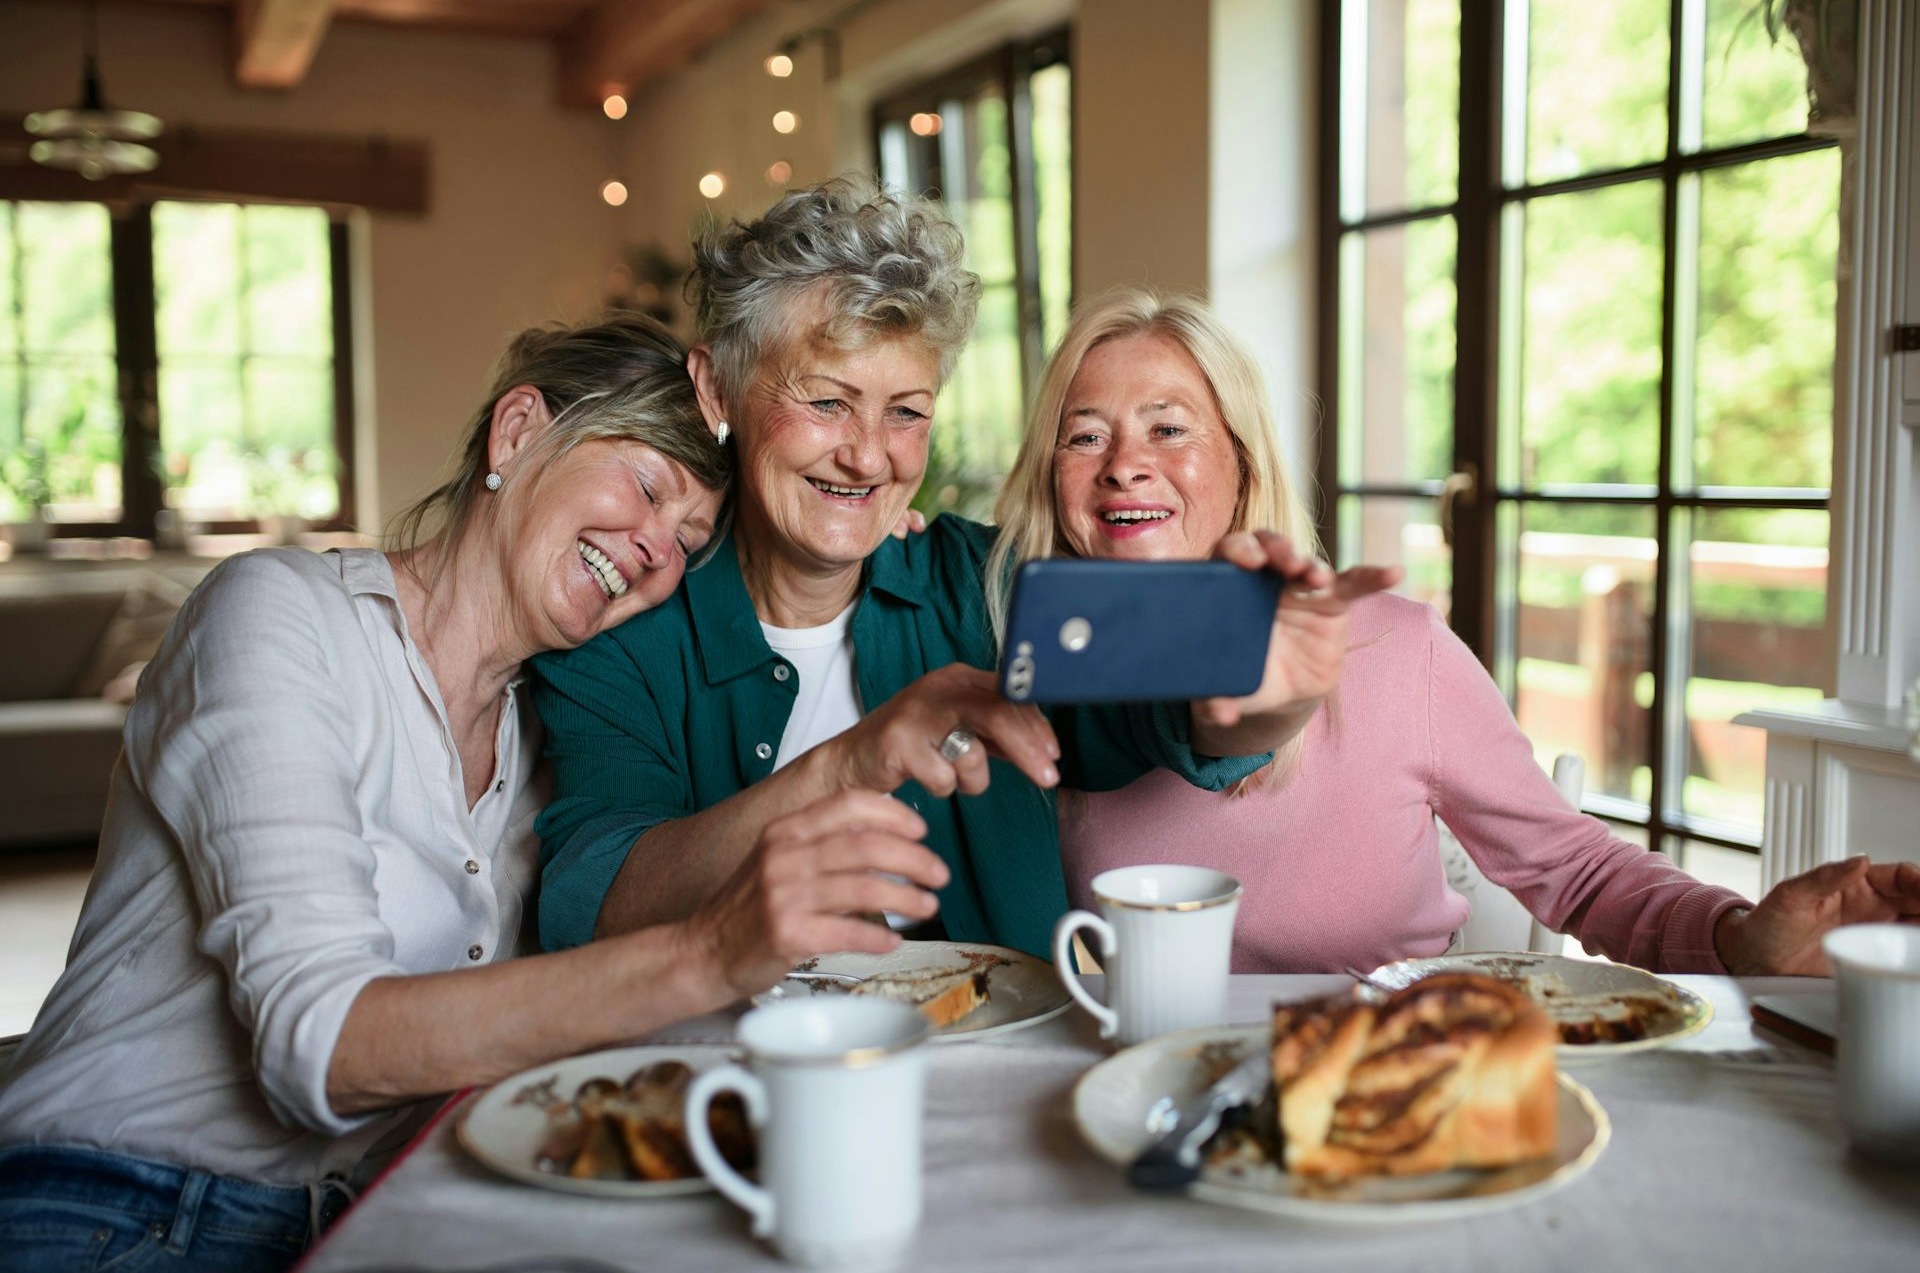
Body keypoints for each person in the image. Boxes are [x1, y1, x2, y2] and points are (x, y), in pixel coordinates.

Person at [0, 312, 950, 1273]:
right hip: (114, 1201)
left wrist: (855, 537)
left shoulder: (556, 733)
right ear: (520, 431)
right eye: (647, 486)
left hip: (381, 1214)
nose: (655, 549)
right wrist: (708, 951)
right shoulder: (277, 617)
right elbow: (319, 1046)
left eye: (689, 538)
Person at [531, 179, 1376, 958]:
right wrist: (848, 764)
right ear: (717, 390)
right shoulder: (629, 622)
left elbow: (1156, 717)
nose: (867, 457)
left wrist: (1265, 697)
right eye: (827, 402)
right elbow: (594, 897)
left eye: (906, 412)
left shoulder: (986, 584)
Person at [992, 287, 1920, 974]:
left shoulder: (1394, 650)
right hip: (1139, 1096)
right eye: (1085, 436)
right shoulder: (1011, 663)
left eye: (1168, 429)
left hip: (1391, 1079)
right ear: (1052, 475)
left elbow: (1579, 873)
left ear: (1240, 462)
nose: (1124, 468)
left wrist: (1739, 937)